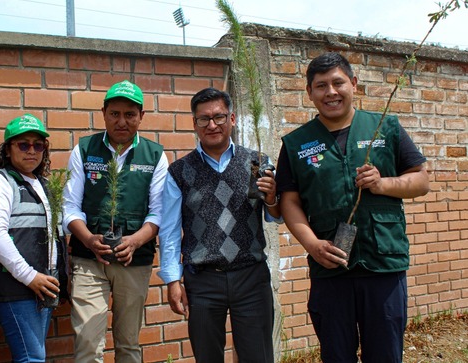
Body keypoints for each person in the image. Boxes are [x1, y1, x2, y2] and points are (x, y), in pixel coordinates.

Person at [275, 52, 429, 363]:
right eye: (321, 86)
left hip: (383, 264)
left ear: (353, 85)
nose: (330, 92)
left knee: (385, 354)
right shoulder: (296, 144)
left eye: (337, 83)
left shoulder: (385, 128)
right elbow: (289, 201)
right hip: (330, 268)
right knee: (336, 355)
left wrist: (382, 184)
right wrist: (312, 244)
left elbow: (421, 180)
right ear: (310, 93)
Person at [158, 87, 280, 363]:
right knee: (207, 357)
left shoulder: (258, 163)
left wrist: (272, 197)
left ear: (232, 119)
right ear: (195, 124)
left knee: (258, 356)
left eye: (219, 117)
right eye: (204, 119)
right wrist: (172, 280)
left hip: (251, 276)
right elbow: (168, 231)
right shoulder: (179, 172)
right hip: (202, 280)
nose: (212, 125)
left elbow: (275, 216)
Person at [62, 80, 168, 362]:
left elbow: (158, 212)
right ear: (104, 113)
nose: (122, 121)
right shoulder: (84, 150)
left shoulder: (155, 155)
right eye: (115, 114)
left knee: (128, 343)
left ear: (141, 116)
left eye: (130, 114)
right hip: (89, 258)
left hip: (135, 260)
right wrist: (87, 239)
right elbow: (70, 207)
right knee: (87, 341)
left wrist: (135, 241)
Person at [0, 113, 68, 363]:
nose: (32, 151)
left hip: (42, 286)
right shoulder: (0, 183)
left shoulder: (44, 184)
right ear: (8, 150)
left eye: (38, 145)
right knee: (32, 357)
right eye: (23, 144)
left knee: (33, 355)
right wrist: (31, 277)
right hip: (17, 287)